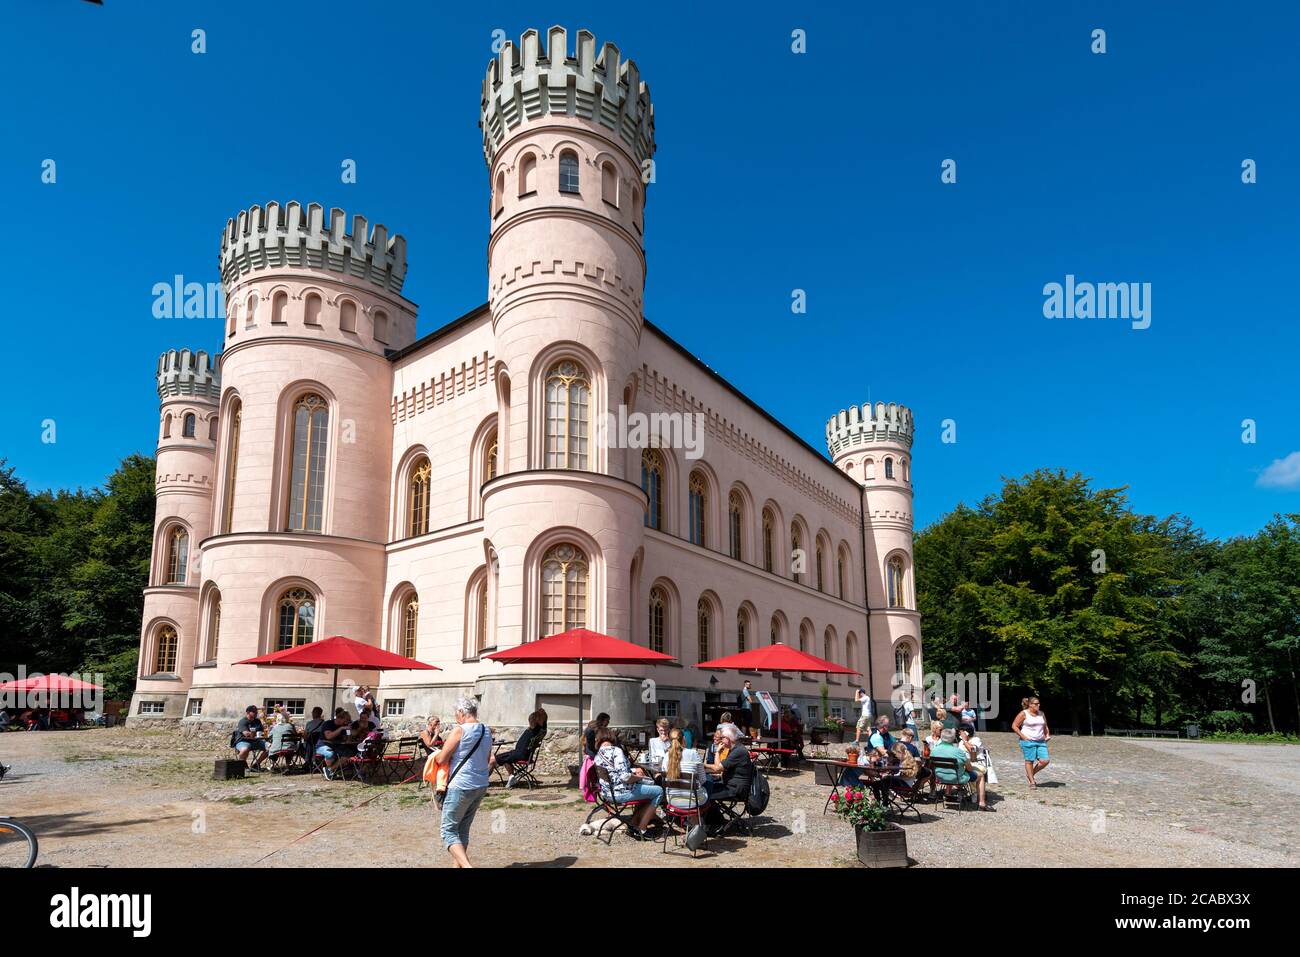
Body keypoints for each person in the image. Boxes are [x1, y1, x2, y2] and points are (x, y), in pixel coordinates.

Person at [435, 698, 492, 867]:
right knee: (463, 829)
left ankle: (467, 866)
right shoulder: (486, 730)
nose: (455, 718)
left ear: (462, 713)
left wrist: (435, 756)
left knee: (448, 831)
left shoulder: (459, 730)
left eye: (456, 714)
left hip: (461, 785)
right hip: (480, 784)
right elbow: (488, 759)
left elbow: (442, 758)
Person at [593, 727, 662, 840]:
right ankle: (642, 828)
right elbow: (625, 777)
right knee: (658, 791)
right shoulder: (616, 751)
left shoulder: (598, 755)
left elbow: (614, 772)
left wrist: (634, 772)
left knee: (648, 789)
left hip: (608, 793)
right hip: (621, 793)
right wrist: (639, 778)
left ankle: (634, 823)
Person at [703, 727, 753, 832]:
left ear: (728, 739)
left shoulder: (738, 751)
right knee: (707, 789)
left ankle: (716, 824)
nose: (720, 740)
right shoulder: (735, 749)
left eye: (722, 738)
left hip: (736, 789)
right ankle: (718, 821)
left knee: (705, 795)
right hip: (732, 785)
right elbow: (720, 768)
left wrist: (716, 752)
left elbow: (718, 767)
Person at [929, 728, 992, 811]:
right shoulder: (958, 752)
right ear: (953, 739)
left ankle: (950, 793)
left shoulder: (934, 750)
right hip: (957, 778)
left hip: (940, 777)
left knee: (954, 771)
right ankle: (982, 803)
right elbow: (969, 768)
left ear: (941, 737)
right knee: (980, 776)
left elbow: (931, 765)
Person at [490, 709, 546, 786]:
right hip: (524, 754)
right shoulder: (541, 731)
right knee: (506, 759)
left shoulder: (534, 730)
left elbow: (535, 718)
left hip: (520, 754)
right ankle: (511, 777)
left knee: (492, 760)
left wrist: (538, 716)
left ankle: (482, 782)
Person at [663, 728, 708, 811]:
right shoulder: (693, 754)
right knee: (709, 784)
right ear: (684, 739)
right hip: (693, 801)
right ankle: (699, 819)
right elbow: (702, 780)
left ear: (670, 740)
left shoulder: (666, 756)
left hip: (672, 800)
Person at [1011, 696, 1051, 788]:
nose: (1038, 705)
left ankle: (1030, 774)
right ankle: (1032, 782)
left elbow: (1045, 725)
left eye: (1039, 703)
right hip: (1028, 741)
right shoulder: (1023, 713)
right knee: (1029, 761)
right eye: (1036, 704)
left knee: (1045, 761)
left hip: (1041, 741)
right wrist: (1023, 737)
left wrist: (1047, 734)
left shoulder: (1041, 713)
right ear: (1030, 705)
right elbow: (1014, 726)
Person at [316, 707, 352, 778]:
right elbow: (328, 736)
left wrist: (349, 733)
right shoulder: (328, 723)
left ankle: (330, 770)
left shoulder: (344, 725)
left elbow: (347, 739)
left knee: (348, 753)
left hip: (336, 745)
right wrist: (341, 729)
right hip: (322, 745)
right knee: (330, 754)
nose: (346, 723)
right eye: (345, 720)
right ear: (339, 718)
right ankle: (332, 772)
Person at [233, 704, 268, 771]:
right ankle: (243, 765)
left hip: (256, 741)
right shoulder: (243, 721)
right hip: (243, 741)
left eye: (256, 712)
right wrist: (256, 733)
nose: (256, 713)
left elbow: (262, 732)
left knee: (270, 747)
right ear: (248, 712)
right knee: (244, 750)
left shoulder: (257, 721)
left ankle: (256, 765)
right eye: (254, 712)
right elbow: (246, 734)